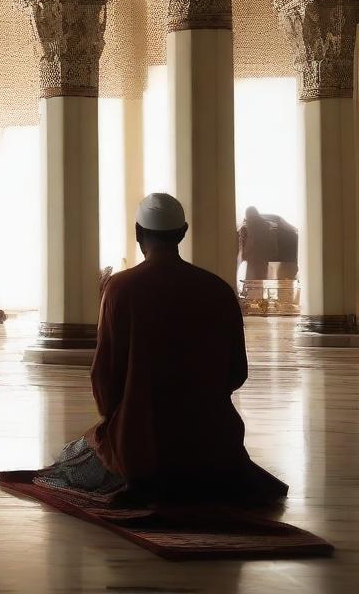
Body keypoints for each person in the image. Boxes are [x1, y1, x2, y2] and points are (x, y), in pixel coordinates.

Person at [35, 193, 287, 504]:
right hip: (213, 442)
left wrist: (122, 418)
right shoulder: (218, 290)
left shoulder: (121, 288)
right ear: (183, 232)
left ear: (139, 233)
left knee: (72, 457)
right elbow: (236, 372)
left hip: (140, 443)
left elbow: (104, 376)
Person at [238, 206, 299, 302]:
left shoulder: (252, 225)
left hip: (254, 259)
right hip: (263, 259)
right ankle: (261, 301)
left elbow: (251, 241)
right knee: (261, 281)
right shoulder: (266, 225)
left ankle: (253, 302)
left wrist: (245, 254)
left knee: (252, 281)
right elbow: (271, 243)